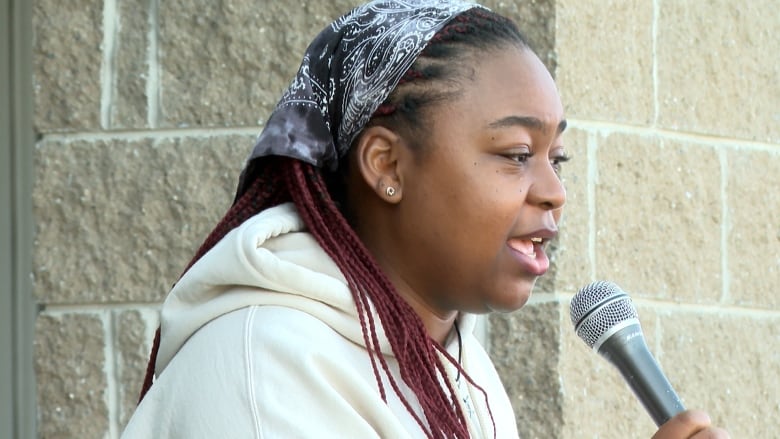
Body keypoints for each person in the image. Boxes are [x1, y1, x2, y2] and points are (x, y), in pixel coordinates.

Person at [121, 1, 730, 438]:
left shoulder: (462, 370)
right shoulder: (263, 369)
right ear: (387, 163)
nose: (554, 191)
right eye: (517, 155)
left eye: (556, 158)